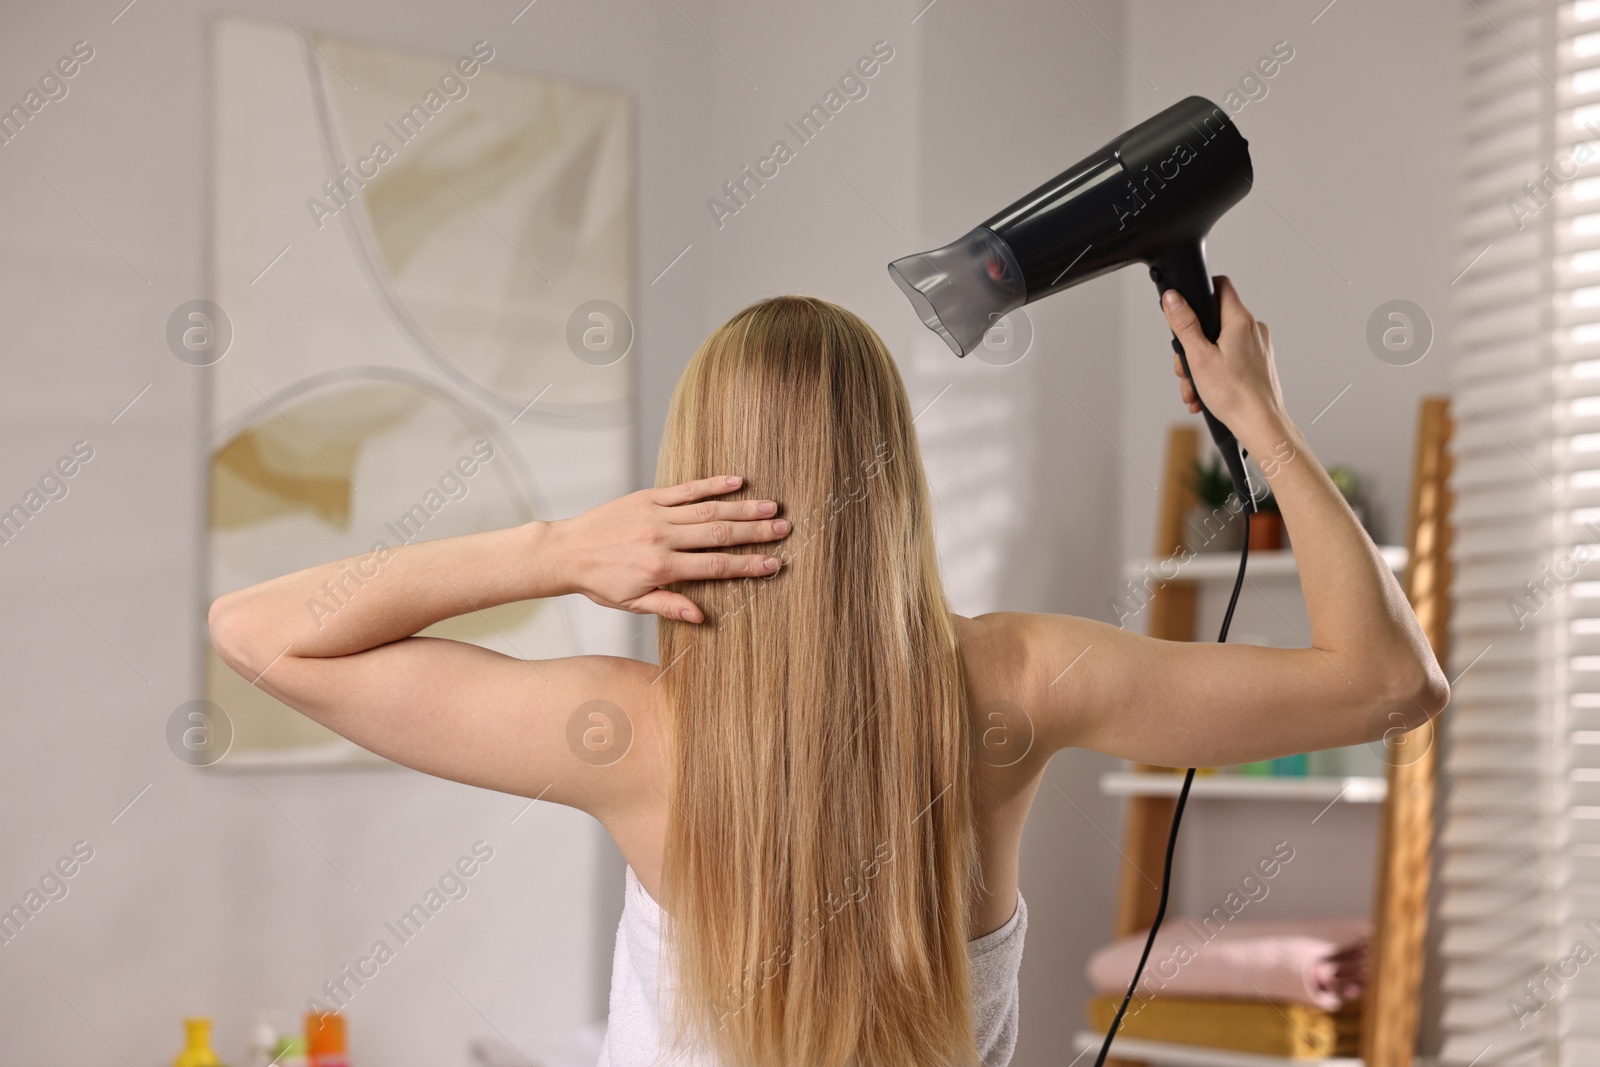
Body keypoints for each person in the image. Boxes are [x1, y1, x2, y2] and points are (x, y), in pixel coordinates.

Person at [208, 279, 1450, 1067]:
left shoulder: (628, 733)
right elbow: (1390, 682)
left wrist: (558, 549)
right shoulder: (1018, 681)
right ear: (894, 473)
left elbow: (258, 630)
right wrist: (1263, 423)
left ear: (688, 479)